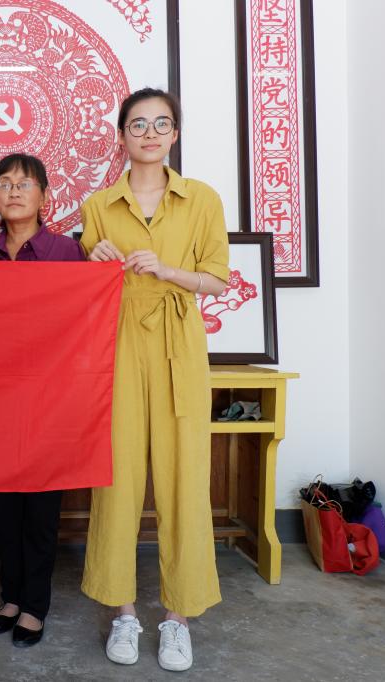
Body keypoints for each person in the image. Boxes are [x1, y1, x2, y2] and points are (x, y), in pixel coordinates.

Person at [79, 88, 230, 672]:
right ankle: (123, 613)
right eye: (137, 124)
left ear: (175, 134)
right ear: (121, 135)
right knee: (116, 480)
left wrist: (167, 270)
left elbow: (217, 279)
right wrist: (93, 262)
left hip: (178, 346)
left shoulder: (202, 199)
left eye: (161, 124)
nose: (149, 134)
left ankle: (177, 619)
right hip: (116, 345)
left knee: (183, 480)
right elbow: (84, 290)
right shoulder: (99, 205)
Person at [0, 153, 83, 648]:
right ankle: (11, 596)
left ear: (45, 196)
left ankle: (35, 604)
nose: (14, 191)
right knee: (5, 506)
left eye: (25, 183)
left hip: (50, 400)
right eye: (4, 184)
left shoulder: (68, 253)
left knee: (40, 507)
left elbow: (83, 321)